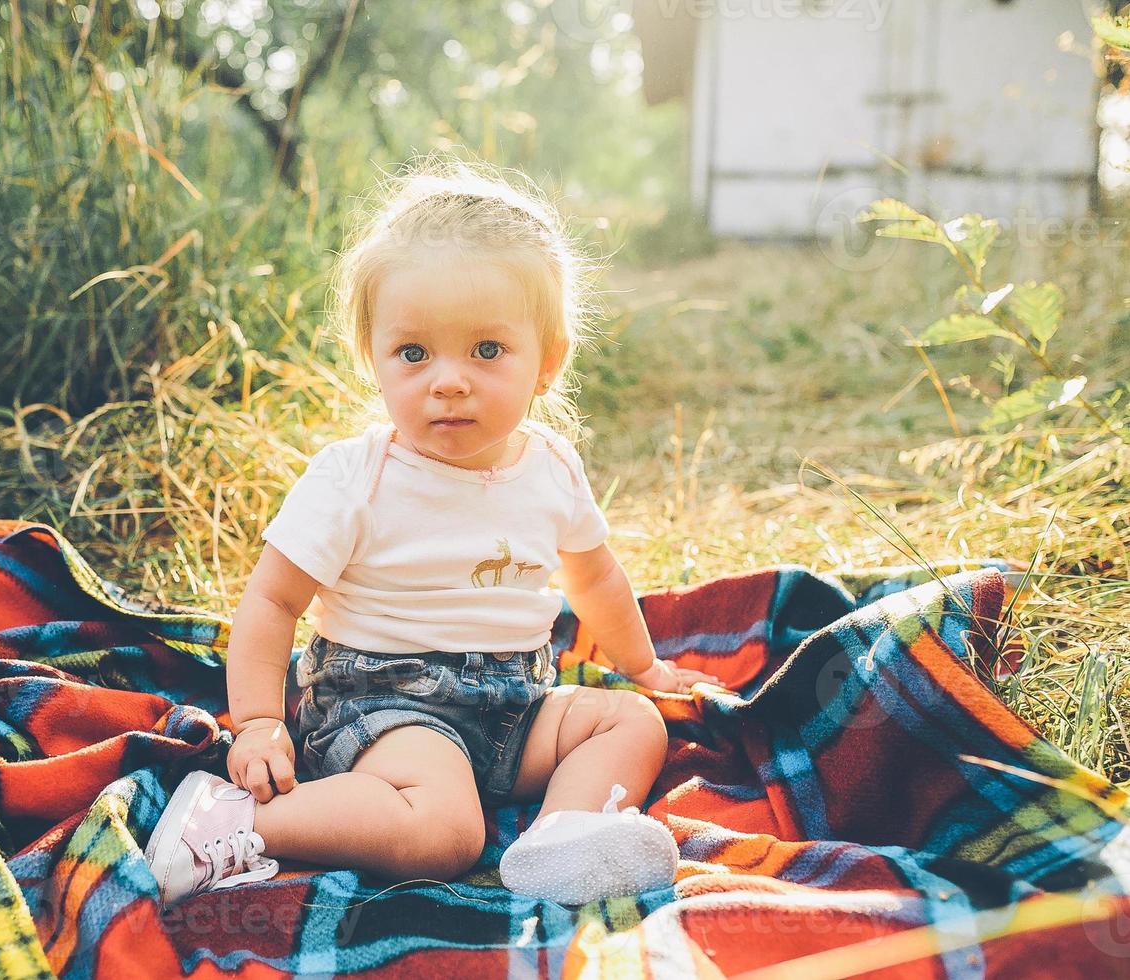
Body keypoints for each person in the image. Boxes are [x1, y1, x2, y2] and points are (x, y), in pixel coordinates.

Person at [143, 155, 722, 910]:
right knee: (448, 833)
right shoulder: (358, 478)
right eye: (414, 353)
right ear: (374, 360)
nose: (448, 380)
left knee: (629, 723)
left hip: (515, 704)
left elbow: (597, 577)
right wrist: (256, 722)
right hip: (381, 703)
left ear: (546, 363)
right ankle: (242, 818)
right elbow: (272, 602)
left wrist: (646, 670)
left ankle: (561, 837)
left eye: (486, 350)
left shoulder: (550, 465)